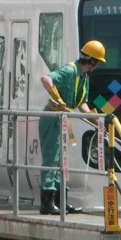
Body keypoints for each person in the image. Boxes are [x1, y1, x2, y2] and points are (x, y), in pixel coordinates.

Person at [38, 40, 106, 215]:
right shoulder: (70, 71)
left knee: (62, 160)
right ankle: (47, 203)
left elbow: (82, 104)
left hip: (62, 119)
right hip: (52, 117)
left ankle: (61, 202)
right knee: (52, 158)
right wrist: (56, 97)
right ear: (91, 61)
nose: (98, 65)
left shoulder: (83, 78)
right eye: (98, 62)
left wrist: (96, 121)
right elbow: (46, 79)